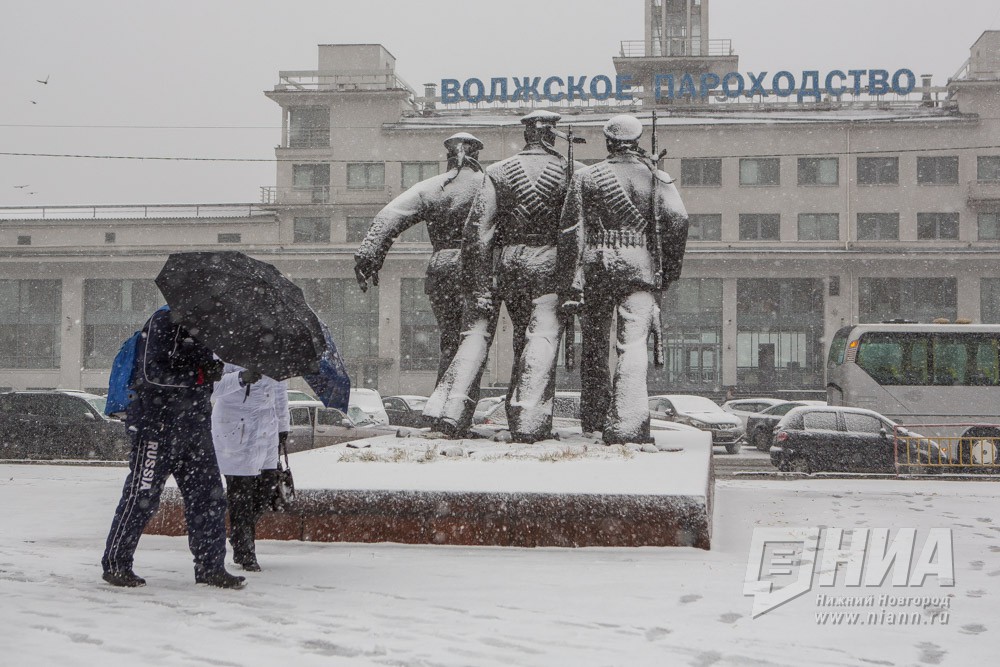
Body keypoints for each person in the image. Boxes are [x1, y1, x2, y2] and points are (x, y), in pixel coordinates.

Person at [424, 110, 582, 442]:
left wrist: (480, 286)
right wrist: (574, 278)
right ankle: (527, 418)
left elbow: (477, 234)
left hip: (509, 264)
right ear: (551, 135)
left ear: (527, 135)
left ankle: (450, 411)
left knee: (485, 335)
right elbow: (575, 233)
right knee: (540, 336)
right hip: (550, 264)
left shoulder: (496, 173)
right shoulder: (574, 173)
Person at [558, 114, 689, 445]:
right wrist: (667, 269)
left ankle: (595, 417)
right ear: (638, 140)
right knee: (632, 345)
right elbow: (679, 220)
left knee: (594, 346)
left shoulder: (586, 177)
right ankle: (628, 422)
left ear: (608, 141)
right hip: (639, 266)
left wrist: (569, 279)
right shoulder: (656, 177)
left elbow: (572, 231)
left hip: (596, 266)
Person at [101, 306, 246, 589]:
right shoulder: (163, 321)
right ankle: (116, 564)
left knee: (210, 499)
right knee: (142, 497)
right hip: (157, 427)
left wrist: (214, 371)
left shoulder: (207, 330)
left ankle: (211, 567)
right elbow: (152, 373)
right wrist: (201, 375)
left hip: (195, 429)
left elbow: (205, 381)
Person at [354, 132, 487, 382]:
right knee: (474, 340)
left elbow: (390, 216)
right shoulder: (490, 185)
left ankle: (443, 402)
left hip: (442, 269)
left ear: (448, 155)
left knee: (449, 341)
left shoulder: (431, 188)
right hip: (477, 271)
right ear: (477, 154)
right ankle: (456, 404)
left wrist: (368, 255)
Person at [211, 363, 290, 572]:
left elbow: (280, 390)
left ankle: (239, 536)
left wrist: (283, 426)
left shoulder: (274, 351)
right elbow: (212, 387)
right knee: (241, 495)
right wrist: (240, 378)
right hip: (236, 428)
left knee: (265, 490)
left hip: (267, 430)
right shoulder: (223, 350)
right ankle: (246, 551)